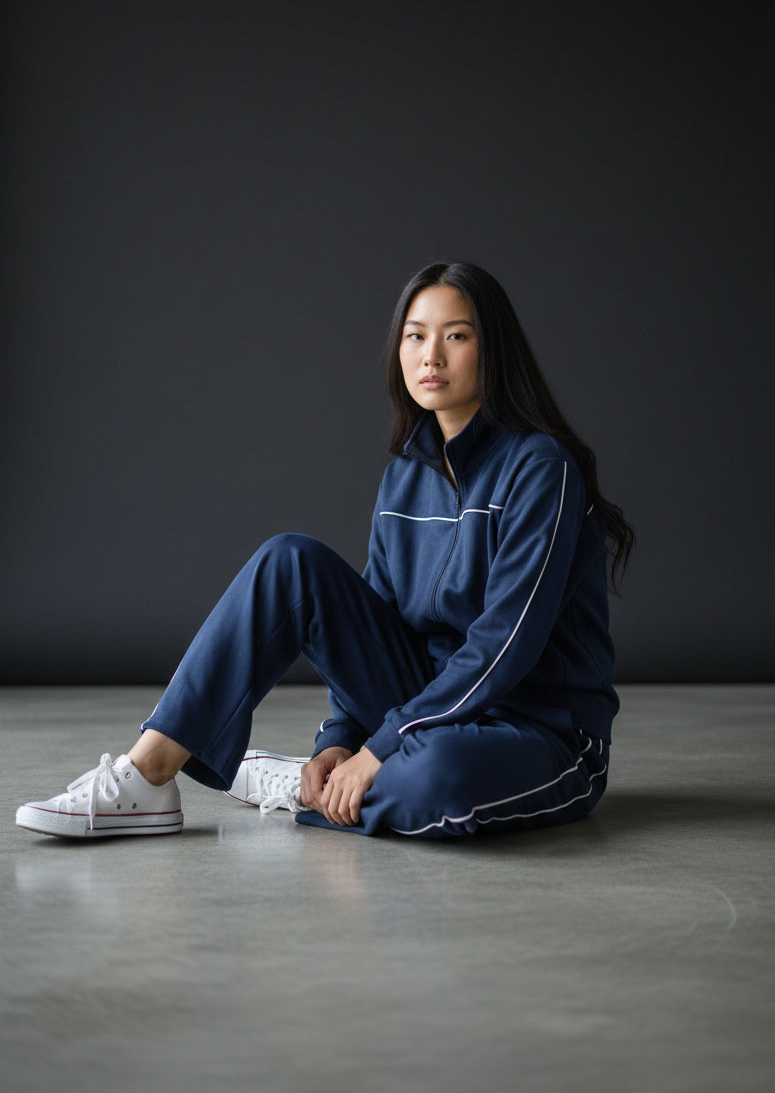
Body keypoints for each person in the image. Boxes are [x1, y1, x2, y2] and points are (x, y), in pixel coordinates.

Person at [16, 262, 634, 841]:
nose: (432, 356)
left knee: (436, 780)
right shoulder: (405, 477)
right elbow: (377, 619)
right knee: (289, 559)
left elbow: (505, 645)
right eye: (416, 337)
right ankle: (148, 773)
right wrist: (340, 741)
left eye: (457, 336)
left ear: (492, 350)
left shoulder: (540, 469)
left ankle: (305, 790)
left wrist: (379, 748)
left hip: (537, 729)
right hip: (427, 707)